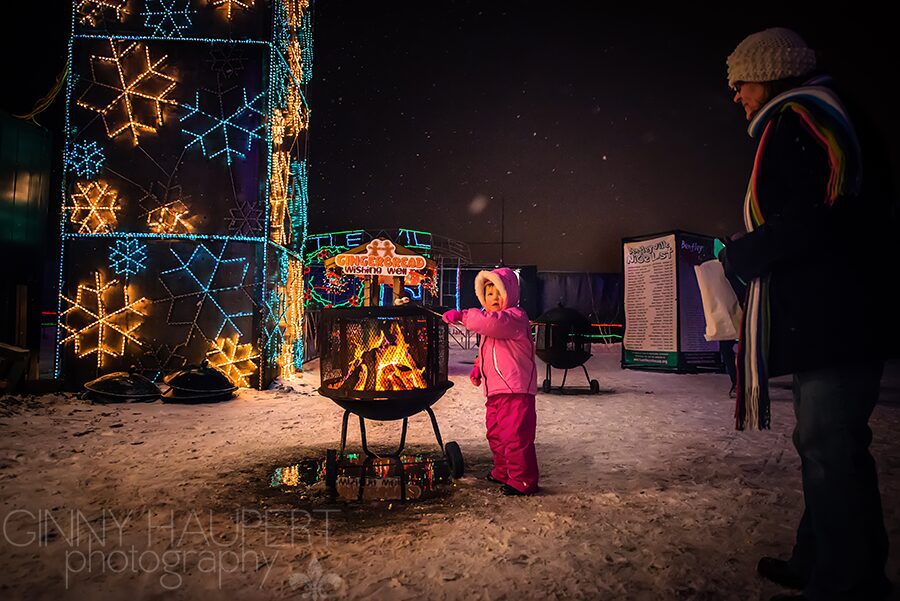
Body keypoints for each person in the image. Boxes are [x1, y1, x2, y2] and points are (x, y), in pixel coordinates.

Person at [717, 27, 895, 601]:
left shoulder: (803, 122)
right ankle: (820, 558)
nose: (738, 96)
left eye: (740, 83)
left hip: (838, 318)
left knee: (830, 446)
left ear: (768, 73)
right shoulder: (811, 120)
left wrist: (744, 253)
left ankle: (846, 581)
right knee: (825, 444)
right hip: (838, 315)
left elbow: (816, 219)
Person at [442, 267, 539, 496]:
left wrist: (462, 315)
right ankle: (504, 471)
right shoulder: (493, 325)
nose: (493, 298)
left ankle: (523, 479)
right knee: (496, 433)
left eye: (498, 292)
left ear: (510, 295)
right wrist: (478, 368)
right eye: (488, 293)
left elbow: (491, 323)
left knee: (515, 436)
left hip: (515, 390)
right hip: (496, 390)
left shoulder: (514, 317)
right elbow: (488, 350)